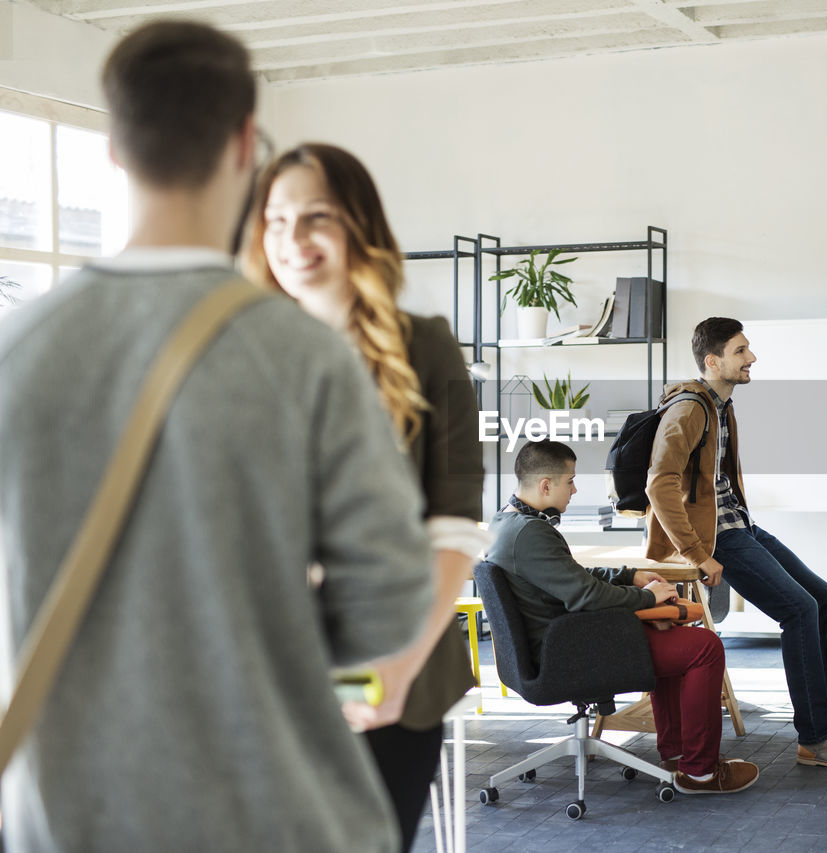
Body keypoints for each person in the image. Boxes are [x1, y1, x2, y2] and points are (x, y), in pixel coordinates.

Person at [0, 21, 449, 852]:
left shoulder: (15, 353)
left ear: (114, 149)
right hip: (269, 805)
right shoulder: (305, 357)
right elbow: (386, 606)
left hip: (63, 812)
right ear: (246, 143)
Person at [241, 143, 486, 850]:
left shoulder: (423, 347)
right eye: (275, 219)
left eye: (315, 216)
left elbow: (454, 524)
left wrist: (398, 668)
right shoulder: (243, 349)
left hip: (386, 666)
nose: (292, 240)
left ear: (358, 225)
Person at [644, 317, 827, 770]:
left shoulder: (721, 405)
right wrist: (699, 554)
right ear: (712, 360)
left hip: (740, 525)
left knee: (819, 597)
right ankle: (814, 739)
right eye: (741, 351)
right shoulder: (690, 409)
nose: (751, 358)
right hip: (717, 537)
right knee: (796, 609)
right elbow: (659, 484)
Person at [487, 440, 759, 795]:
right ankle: (700, 773)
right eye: (569, 481)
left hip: (558, 644)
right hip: (568, 654)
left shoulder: (507, 522)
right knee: (704, 647)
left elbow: (572, 577)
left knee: (669, 629)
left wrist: (630, 576)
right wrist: (648, 596)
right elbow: (585, 594)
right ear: (545, 486)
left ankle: (677, 755)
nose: (575, 488)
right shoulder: (531, 533)